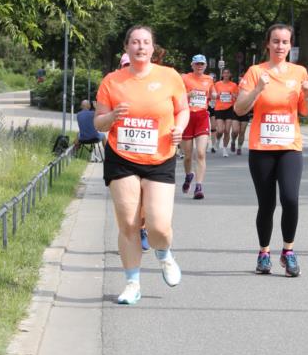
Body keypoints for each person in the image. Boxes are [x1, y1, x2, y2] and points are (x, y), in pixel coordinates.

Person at [94, 24, 190, 305]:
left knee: (159, 226)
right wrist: (112, 116)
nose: (140, 47)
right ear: (126, 48)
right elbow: (98, 122)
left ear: (153, 48)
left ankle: (164, 254)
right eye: (135, 42)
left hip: (160, 158)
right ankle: (132, 283)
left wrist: (180, 128)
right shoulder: (112, 81)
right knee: (128, 223)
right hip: (122, 158)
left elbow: (182, 109)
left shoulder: (169, 76)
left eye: (145, 42)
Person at [235, 24, 308, 277]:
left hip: (290, 147)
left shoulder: (299, 72)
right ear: (267, 44)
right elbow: (239, 109)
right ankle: (264, 252)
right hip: (262, 148)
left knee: (290, 198)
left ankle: (288, 252)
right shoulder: (255, 72)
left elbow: (305, 111)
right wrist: (258, 89)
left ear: (291, 45)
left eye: (285, 42)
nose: (280, 46)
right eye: (276, 41)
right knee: (266, 204)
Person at [181, 54, 215, 200]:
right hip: (187, 118)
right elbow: (177, 96)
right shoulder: (185, 78)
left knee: (201, 153)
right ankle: (189, 175)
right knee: (188, 156)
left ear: (205, 65)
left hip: (201, 117)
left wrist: (214, 95)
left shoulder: (209, 79)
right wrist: (189, 95)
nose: (199, 66)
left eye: (202, 64)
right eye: (197, 64)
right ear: (192, 65)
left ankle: (199, 186)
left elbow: (212, 94)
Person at [213, 68, 238, 157]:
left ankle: (224, 149)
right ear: (222, 75)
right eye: (225, 73)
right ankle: (217, 140)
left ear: (230, 75)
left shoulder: (234, 85)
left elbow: (237, 97)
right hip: (219, 108)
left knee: (227, 130)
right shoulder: (217, 84)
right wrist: (217, 95)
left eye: (228, 73)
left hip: (229, 109)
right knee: (220, 130)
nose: (226, 75)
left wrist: (234, 95)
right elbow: (213, 96)